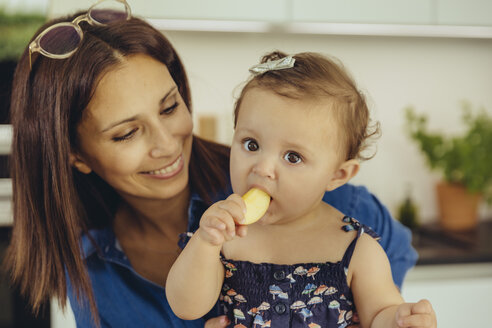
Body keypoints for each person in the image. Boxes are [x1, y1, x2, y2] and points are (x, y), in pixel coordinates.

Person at [4, 0, 417, 326]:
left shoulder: (327, 208)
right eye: (127, 133)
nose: (166, 145)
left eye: (169, 108)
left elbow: (391, 277)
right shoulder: (88, 261)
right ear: (75, 155)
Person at [166, 51, 436, 328]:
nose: (263, 168)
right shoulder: (224, 236)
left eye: (293, 157)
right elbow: (185, 307)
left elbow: (380, 313)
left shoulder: (356, 248)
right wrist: (204, 242)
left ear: (337, 174)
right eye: (251, 144)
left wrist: (399, 320)